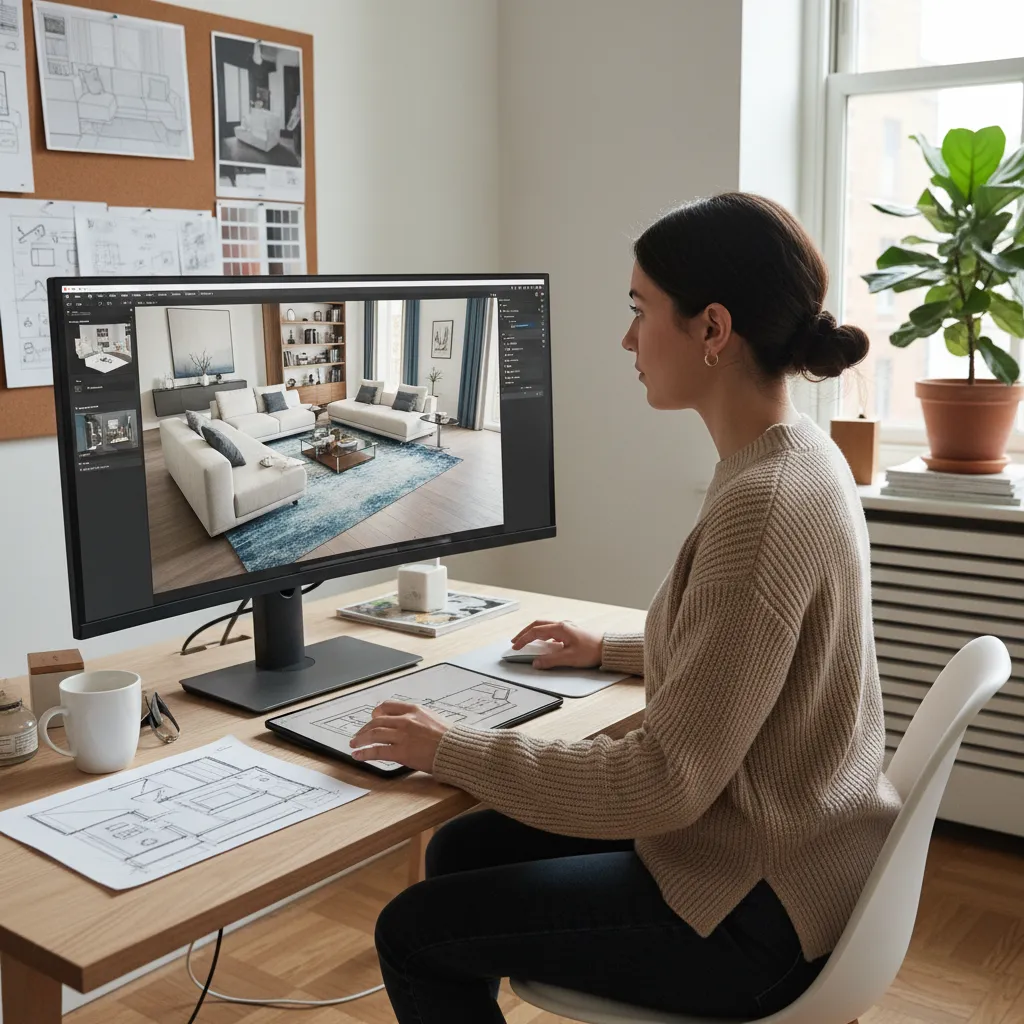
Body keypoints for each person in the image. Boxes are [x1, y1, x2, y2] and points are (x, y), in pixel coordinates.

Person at [351, 191, 902, 1024]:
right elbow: (757, 650)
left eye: (640, 311)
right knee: (464, 847)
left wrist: (449, 748)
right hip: (797, 851)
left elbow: (664, 784)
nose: (626, 338)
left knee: (414, 932)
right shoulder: (800, 454)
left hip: (752, 911)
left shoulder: (765, 503)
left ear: (712, 330)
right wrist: (608, 648)